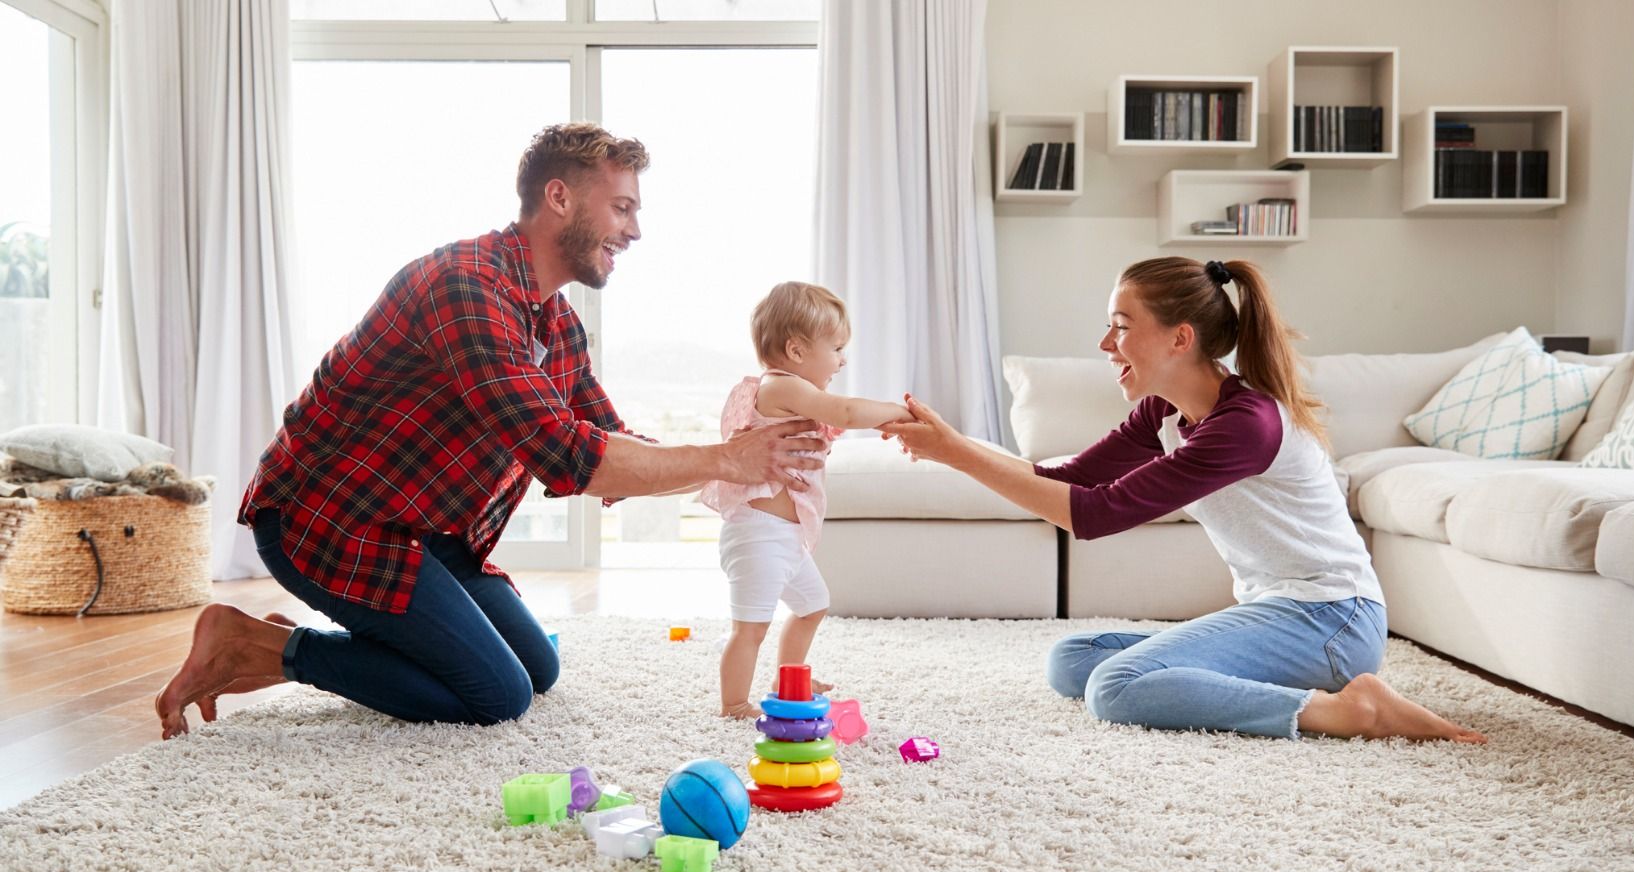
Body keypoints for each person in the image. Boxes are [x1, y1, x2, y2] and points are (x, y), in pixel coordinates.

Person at [153, 123, 828, 739]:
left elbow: (610, 443)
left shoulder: (556, 323)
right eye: (622, 207)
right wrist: (727, 460)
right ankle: (268, 648)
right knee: (495, 694)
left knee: (537, 670)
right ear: (559, 198)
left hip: (427, 532)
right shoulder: (466, 289)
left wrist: (743, 455)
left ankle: (342, 644)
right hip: (329, 522)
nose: (635, 231)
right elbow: (571, 459)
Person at [882, 257, 1486, 744]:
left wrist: (953, 453)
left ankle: (1348, 711)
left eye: (1120, 325)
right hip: (1277, 612)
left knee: (1114, 687)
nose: (1104, 342)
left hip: (1331, 619)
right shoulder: (1166, 412)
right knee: (1073, 661)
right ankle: (1308, 693)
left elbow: (1093, 514)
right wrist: (952, 444)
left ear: (1180, 337)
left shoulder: (1246, 423)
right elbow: (1068, 478)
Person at [700, 282, 912, 717]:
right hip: (758, 536)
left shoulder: (790, 391)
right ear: (796, 351)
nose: (843, 359)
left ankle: (787, 677)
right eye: (836, 348)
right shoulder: (779, 387)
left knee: (812, 606)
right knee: (750, 629)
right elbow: (847, 413)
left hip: (786, 537)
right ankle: (734, 702)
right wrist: (898, 411)